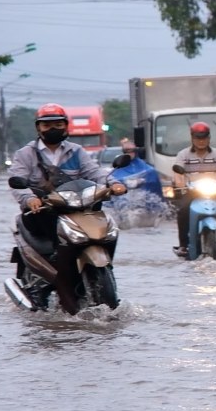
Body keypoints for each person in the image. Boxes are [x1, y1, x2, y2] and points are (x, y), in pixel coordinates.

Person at [8, 103, 127, 307]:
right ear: (38, 128)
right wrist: (30, 199)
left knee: (105, 225)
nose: (53, 129)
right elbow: (18, 182)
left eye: (58, 124)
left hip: (77, 208)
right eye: (47, 125)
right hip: (43, 211)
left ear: (66, 126)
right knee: (56, 234)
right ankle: (60, 277)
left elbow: (94, 173)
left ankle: (102, 271)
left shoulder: (76, 151)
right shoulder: (25, 154)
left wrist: (113, 184)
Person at [172, 121, 216, 258]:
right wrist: (180, 184)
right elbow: (178, 174)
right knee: (183, 210)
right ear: (192, 138)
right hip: (193, 193)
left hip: (215, 192)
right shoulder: (183, 155)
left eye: (204, 138)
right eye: (198, 138)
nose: (201, 141)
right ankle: (183, 245)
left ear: (209, 138)